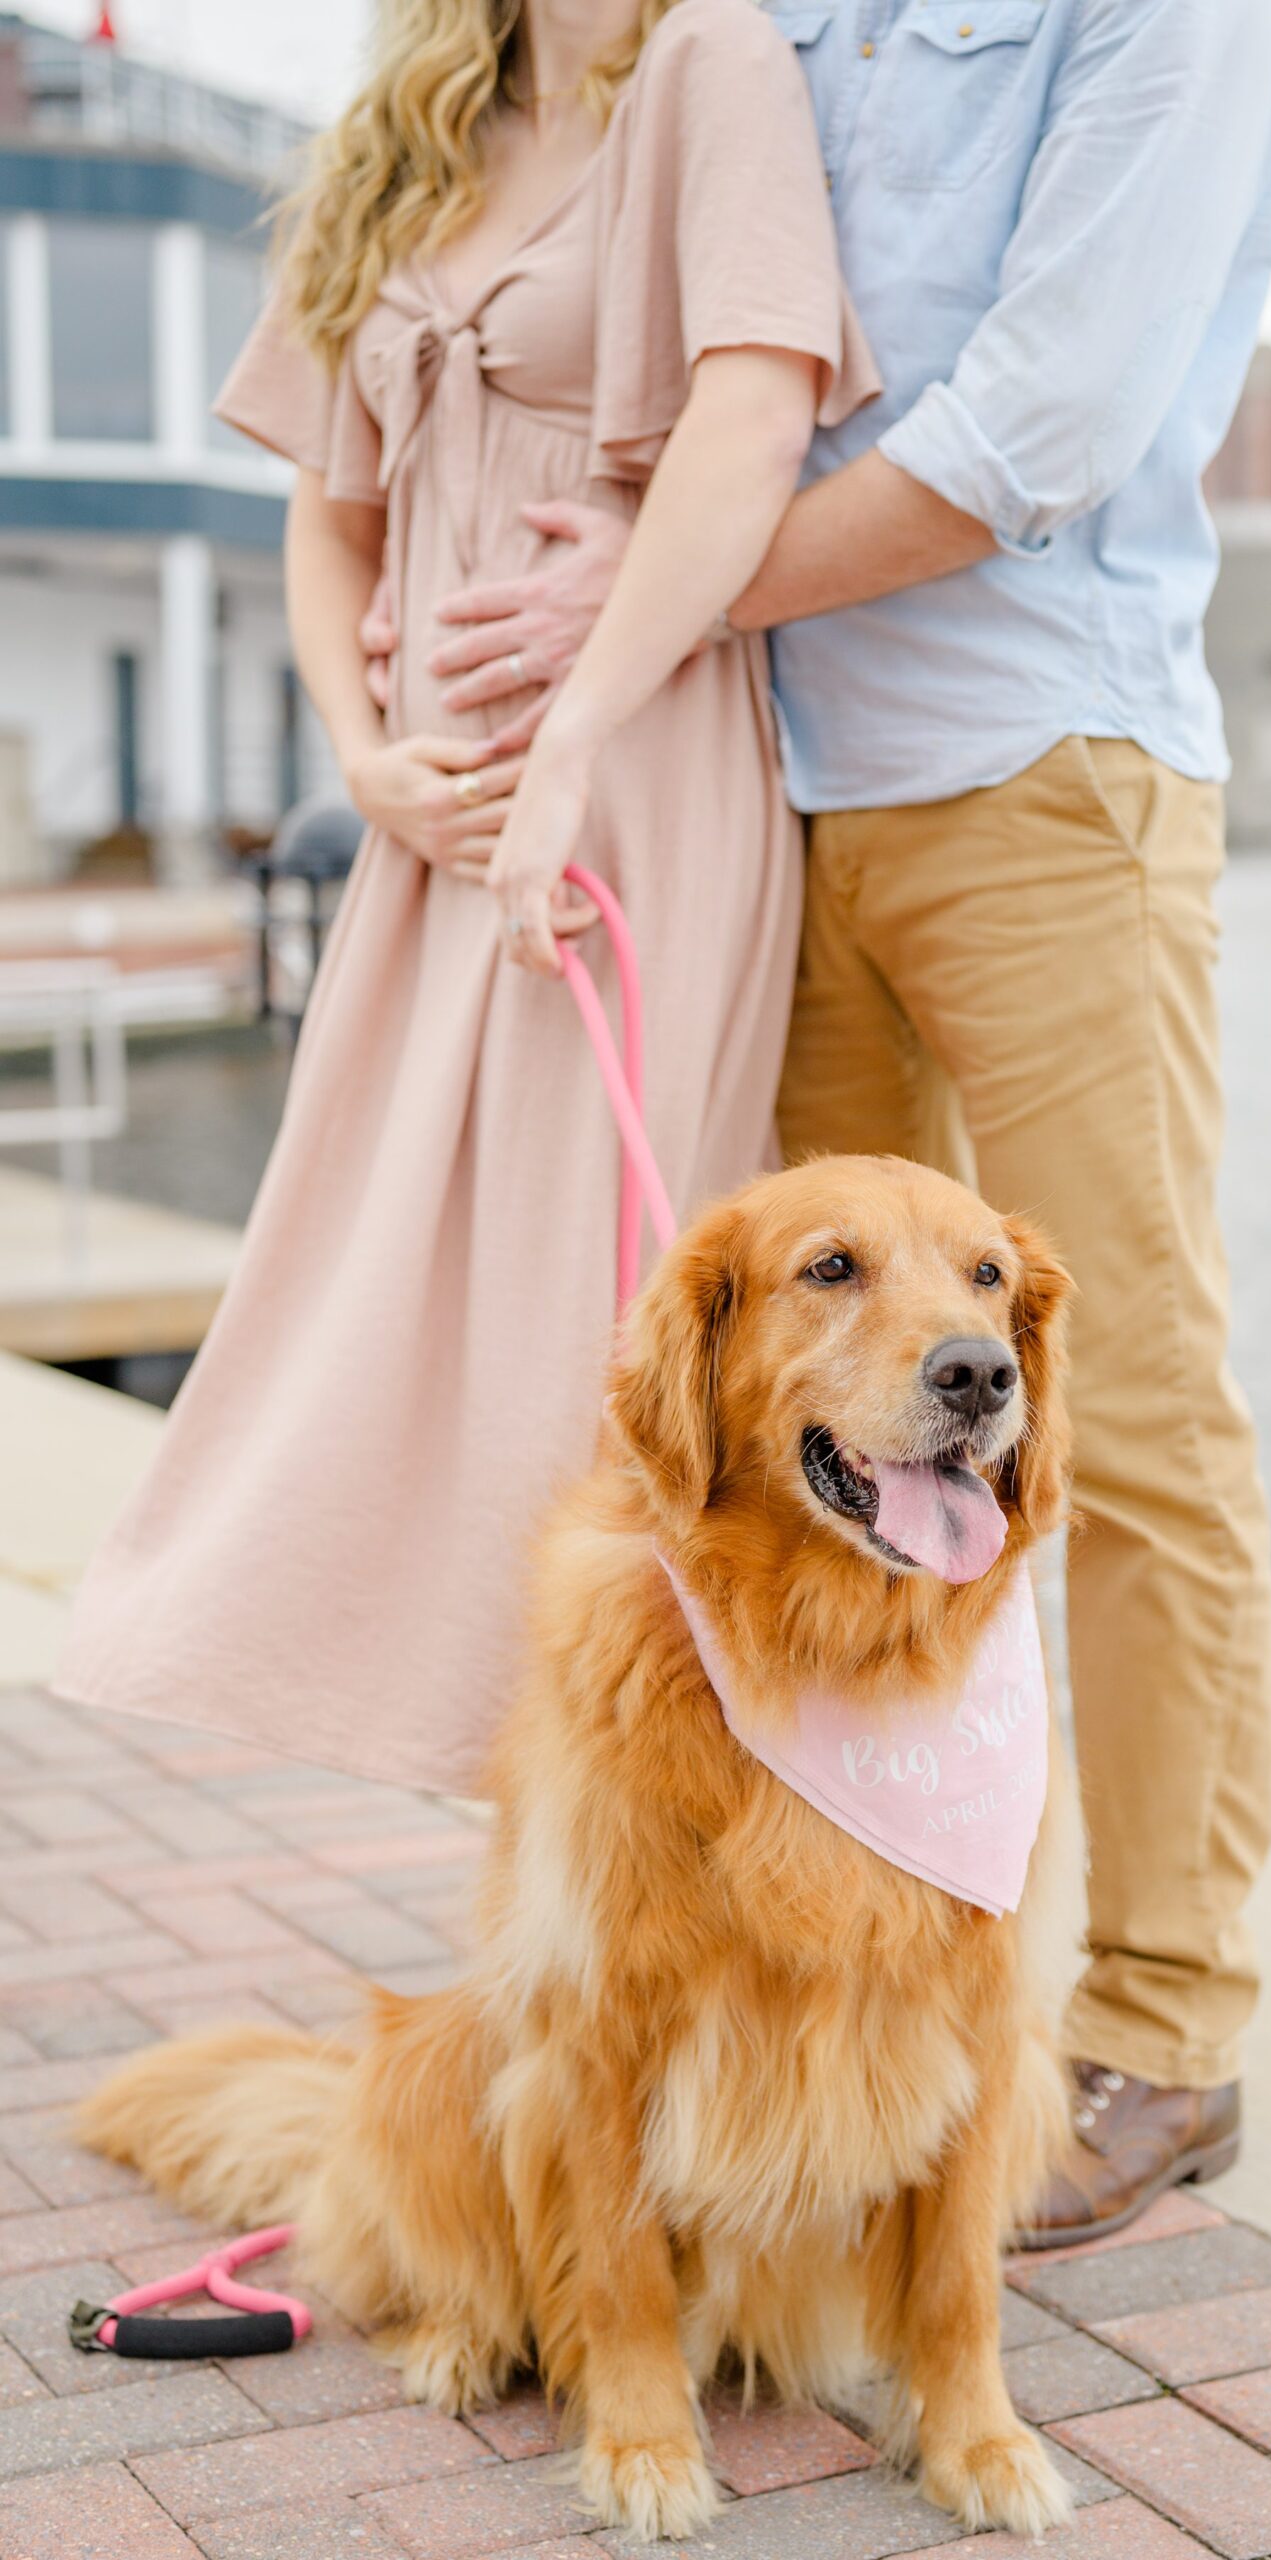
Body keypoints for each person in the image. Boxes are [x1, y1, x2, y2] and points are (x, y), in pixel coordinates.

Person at [370, 0, 1271, 2240]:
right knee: (806, 1444)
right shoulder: (764, 12)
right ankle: (826, 1973)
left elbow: (1036, 428)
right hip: (768, 798)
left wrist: (656, 585)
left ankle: (1162, 2029)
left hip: (1041, 780)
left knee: (1129, 1419)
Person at [53, 0, 875, 1795]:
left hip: (632, 776)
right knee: (371, 1292)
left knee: (575, 1312)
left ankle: (614, 1824)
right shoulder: (411, 124)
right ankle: (501, 1807)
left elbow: (750, 424)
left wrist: (574, 737)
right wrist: (361, 756)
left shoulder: (710, 63)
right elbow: (327, 517)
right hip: (433, 820)